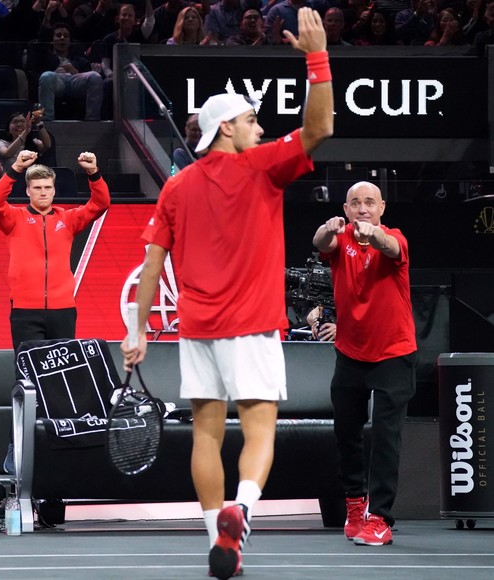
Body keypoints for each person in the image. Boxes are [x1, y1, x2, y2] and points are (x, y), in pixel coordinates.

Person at [121, 8, 333, 579]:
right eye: (252, 120)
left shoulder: (175, 187)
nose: (261, 128)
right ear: (226, 129)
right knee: (260, 431)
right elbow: (320, 129)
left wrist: (137, 330)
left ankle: (218, 542)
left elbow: (149, 267)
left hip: (197, 331)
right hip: (253, 325)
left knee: (206, 435)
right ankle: (241, 510)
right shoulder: (262, 167)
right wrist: (318, 58)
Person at [312, 181, 417, 547]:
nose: (362, 208)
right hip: (351, 353)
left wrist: (375, 235)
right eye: (355, 203)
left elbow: (391, 247)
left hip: (394, 353)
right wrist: (327, 229)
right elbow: (320, 243)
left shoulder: (394, 238)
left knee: (387, 438)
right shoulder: (339, 240)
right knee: (347, 433)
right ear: (345, 208)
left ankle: (381, 518)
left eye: (369, 202)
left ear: (382, 207)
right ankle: (355, 506)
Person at [0, 149, 110, 351]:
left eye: (47, 187)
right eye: (37, 188)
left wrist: (93, 173)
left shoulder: (68, 219)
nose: (43, 192)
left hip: (63, 308)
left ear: (54, 191)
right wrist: (16, 168)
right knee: (29, 368)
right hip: (25, 310)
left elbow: (101, 203)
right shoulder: (14, 219)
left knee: (62, 370)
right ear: (28, 191)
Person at [33, 23, 103, 121]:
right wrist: (54, 72)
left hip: (74, 81)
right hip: (56, 82)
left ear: (70, 42)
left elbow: (87, 73)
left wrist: (76, 72)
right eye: (58, 35)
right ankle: (47, 120)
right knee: (47, 75)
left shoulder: (79, 60)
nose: (62, 38)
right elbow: (35, 75)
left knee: (95, 76)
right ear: (52, 41)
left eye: (66, 36)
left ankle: (92, 119)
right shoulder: (45, 57)